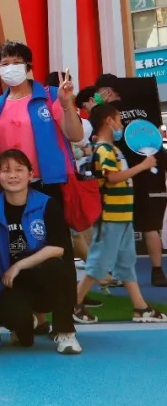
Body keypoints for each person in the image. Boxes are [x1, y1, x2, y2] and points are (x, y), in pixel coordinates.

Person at [75, 103, 167, 323]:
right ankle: (73, 305)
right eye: (119, 119)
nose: (121, 125)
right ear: (109, 121)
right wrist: (143, 166)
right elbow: (112, 177)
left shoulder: (113, 149)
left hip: (122, 217)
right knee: (98, 264)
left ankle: (140, 308)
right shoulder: (105, 150)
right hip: (110, 218)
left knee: (126, 264)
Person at [0, 149, 81, 354]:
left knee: (58, 266)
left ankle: (65, 332)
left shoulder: (47, 204)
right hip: (9, 283)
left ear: (30, 175)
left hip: (42, 278)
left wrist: (19, 265)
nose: (12, 175)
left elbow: (58, 248)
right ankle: (27, 322)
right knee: (21, 334)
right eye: (6, 170)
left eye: (19, 169)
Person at [93, 74, 167, 288]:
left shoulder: (103, 113)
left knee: (117, 227)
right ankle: (157, 271)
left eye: (98, 92)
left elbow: (97, 139)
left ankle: (110, 272)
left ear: (106, 90)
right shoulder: (146, 108)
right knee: (150, 226)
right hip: (149, 173)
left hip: (123, 177)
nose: (97, 97)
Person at [0, 42, 82, 199]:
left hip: (47, 186)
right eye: (5, 63)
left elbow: (76, 136)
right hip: (7, 189)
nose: (10, 67)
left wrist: (66, 105)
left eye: (16, 62)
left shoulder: (50, 96)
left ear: (27, 67)